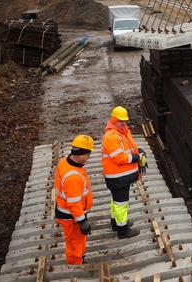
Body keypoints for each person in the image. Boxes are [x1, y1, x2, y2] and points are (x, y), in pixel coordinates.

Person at [101, 106, 147, 239]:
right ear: (114, 120)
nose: (124, 123)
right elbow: (119, 157)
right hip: (117, 178)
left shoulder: (122, 132)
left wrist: (138, 150)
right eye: (121, 121)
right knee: (121, 204)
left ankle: (116, 223)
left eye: (125, 120)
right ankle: (123, 230)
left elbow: (128, 147)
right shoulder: (111, 136)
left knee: (116, 201)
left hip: (120, 177)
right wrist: (135, 157)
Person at [54, 134, 94, 265]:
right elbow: (74, 203)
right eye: (88, 155)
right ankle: (75, 267)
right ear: (81, 154)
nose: (89, 158)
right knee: (74, 244)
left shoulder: (64, 162)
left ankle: (80, 259)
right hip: (72, 217)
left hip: (72, 214)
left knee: (78, 240)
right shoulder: (73, 177)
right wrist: (82, 220)